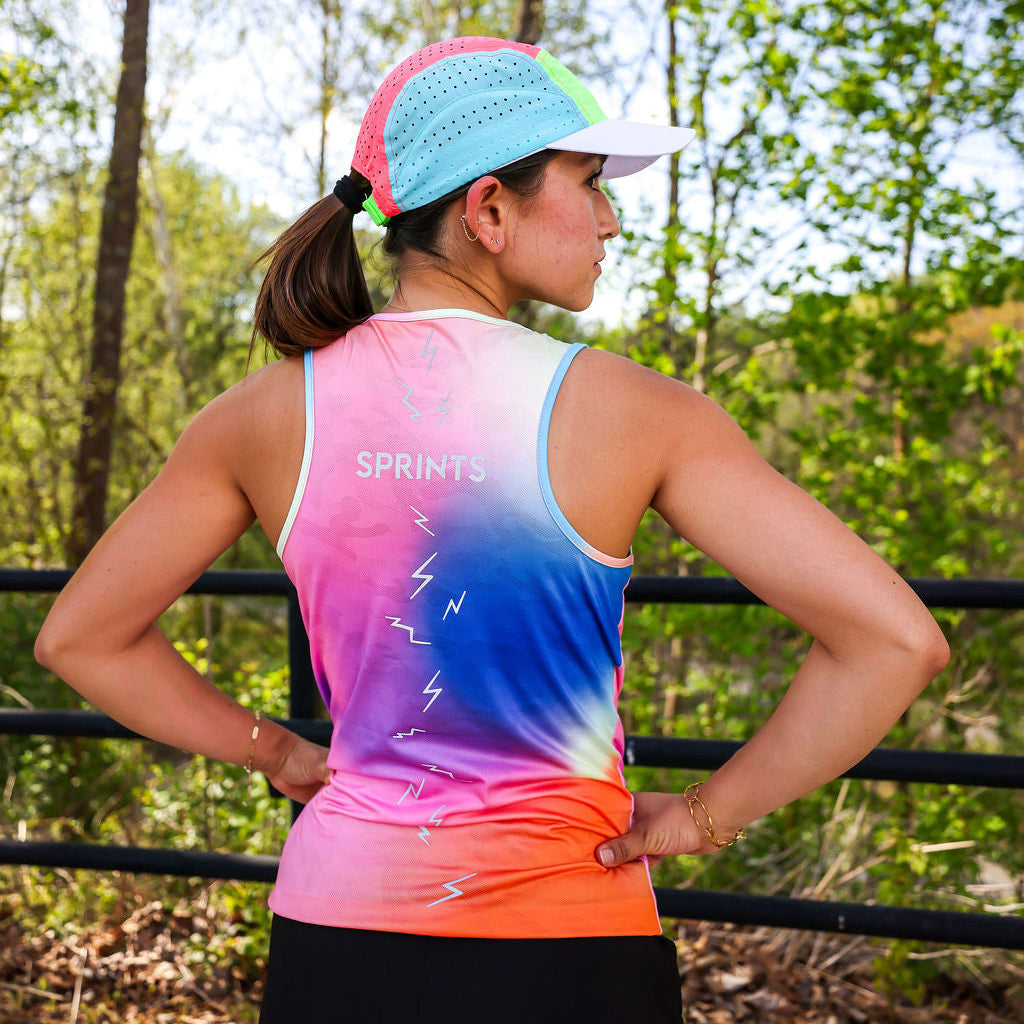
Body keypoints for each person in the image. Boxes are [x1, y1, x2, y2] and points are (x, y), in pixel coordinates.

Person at [35, 36, 949, 1024]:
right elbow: (894, 642)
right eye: (589, 183)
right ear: (489, 210)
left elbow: (81, 639)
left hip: (336, 942)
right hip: (571, 944)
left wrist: (277, 752)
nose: (609, 217)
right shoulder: (638, 413)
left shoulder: (256, 415)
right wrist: (703, 816)